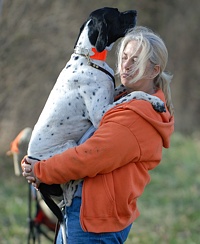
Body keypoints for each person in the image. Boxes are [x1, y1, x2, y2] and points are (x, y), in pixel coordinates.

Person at [22, 26, 174, 243]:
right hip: (85, 213)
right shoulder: (118, 99)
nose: (126, 66)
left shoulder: (137, 115)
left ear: (154, 71)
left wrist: (40, 170)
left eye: (136, 60)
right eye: (124, 57)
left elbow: (89, 157)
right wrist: (37, 157)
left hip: (95, 225)